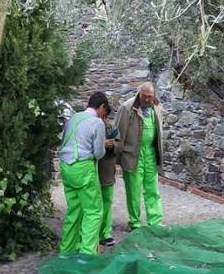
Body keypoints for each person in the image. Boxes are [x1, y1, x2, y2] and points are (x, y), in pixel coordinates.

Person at [57, 92, 108, 258]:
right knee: (93, 212)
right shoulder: (97, 123)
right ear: (101, 107)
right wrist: (106, 144)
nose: (104, 116)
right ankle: (86, 255)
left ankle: (66, 252)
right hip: (83, 169)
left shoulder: (73, 117)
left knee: (74, 210)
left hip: (66, 167)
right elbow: (99, 153)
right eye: (104, 112)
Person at [115, 82, 164, 229]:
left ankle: (155, 221)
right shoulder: (127, 108)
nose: (147, 100)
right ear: (139, 93)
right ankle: (135, 222)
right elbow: (118, 133)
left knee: (152, 189)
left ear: (153, 95)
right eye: (145, 96)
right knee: (134, 191)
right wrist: (117, 157)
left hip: (151, 153)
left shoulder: (157, 106)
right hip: (132, 155)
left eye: (150, 96)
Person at [97, 102, 119, 247]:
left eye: (106, 116)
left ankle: (105, 233)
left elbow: (119, 146)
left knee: (107, 202)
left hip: (107, 171)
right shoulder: (90, 125)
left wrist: (113, 146)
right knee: (93, 204)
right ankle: (93, 234)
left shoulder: (111, 128)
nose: (104, 119)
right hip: (91, 171)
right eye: (102, 115)